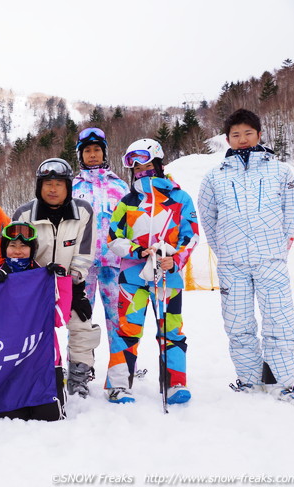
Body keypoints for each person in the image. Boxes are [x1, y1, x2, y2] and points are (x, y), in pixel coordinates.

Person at [198, 109, 294, 402]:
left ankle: (281, 383)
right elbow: (209, 218)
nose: (242, 139)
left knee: (279, 321)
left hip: (271, 260)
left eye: (247, 133)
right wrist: (225, 251)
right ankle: (249, 380)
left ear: (258, 134)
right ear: (227, 139)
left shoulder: (279, 170)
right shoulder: (214, 176)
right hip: (232, 264)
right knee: (238, 324)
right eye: (235, 134)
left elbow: (290, 212)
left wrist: (278, 248)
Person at [106, 139, 199, 405]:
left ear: (157, 162)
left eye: (144, 162)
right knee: (127, 329)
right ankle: (119, 385)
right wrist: (138, 251)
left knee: (171, 329)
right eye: (133, 165)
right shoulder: (127, 202)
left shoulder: (179, 198)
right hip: (132, 278)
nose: (139, 169)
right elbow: (114, 238)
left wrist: (175, 258)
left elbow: (190, 235)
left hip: (167, 275)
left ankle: (175, 382)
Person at [12, 158, 100, 398]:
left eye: (59, 184)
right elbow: (17, 250)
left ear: (68, 187)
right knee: (33, 331)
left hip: (69, 282)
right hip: (34, 285)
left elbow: (84, 251)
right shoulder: (24, 213)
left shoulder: (83, 211)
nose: (53, 189)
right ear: (39, 186)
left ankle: (79, 375)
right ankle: (36, 373)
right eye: (48, 183)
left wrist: (72, 283)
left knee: (82, 324)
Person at [0, 221, 67, 421]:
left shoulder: (46, 278)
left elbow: (60, 318)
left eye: (24, 246)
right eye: (12, 245)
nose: (18, 251)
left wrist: (60, 282)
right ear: (5, 248)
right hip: (8, 361)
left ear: (32, 249)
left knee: (49, 416)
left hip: (43, 359)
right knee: (11, 417)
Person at [71, 128, 129, 396]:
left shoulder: (119, 186)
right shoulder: (73, 187)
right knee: (81, 321)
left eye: (97, 150)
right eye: (87, 151)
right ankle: (80, 373)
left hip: (115, 265)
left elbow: (131, 224)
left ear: (104, 153)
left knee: (118, 321)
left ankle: (119, 377)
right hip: (83, 267)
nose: (92, 155)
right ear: (80, 155)